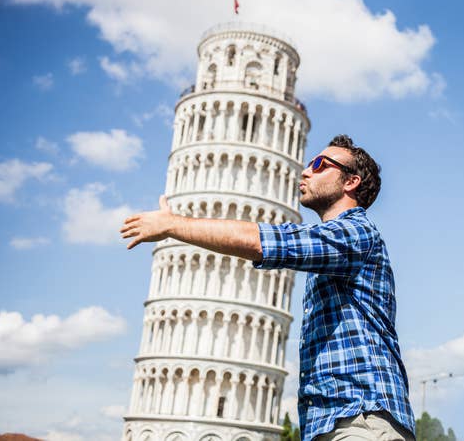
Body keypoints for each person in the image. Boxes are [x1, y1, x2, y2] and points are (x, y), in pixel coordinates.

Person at [120, 135, 416, 440]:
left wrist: (174, 225)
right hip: (336, 422)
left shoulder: (355, 233)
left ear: (350, 182)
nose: (305, 171)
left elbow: (264, 242)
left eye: (319, 164)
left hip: (361, 418)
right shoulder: (334, 246)